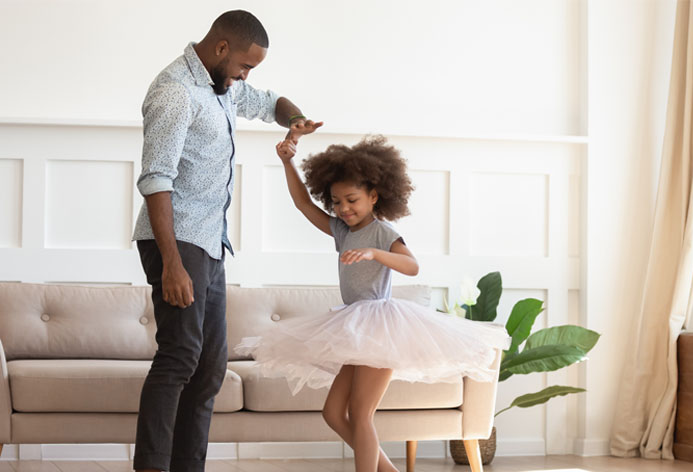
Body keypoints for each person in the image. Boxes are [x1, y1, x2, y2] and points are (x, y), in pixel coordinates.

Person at [236, 135, 509, 472]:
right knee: (333, 413)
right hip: (353, 326)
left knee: (361, 413)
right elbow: (304, 205)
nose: (343, 209)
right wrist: (287, 162)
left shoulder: (382, 231)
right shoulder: (342, 231)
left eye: (351, 200)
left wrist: (375, 252)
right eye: (336, 202)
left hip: (380, 327)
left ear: (374, 196)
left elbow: (412, 266)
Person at [131, 10, 322, 472]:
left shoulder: (220, 87)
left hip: (210, 242)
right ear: (220, 49)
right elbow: (157, 180)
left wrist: (294, 119)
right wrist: (173, 265)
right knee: (180, 356)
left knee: (210, 366)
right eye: (244, 67)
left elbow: (271, 101)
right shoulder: (175, 93)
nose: (246, 77)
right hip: (176, 240)